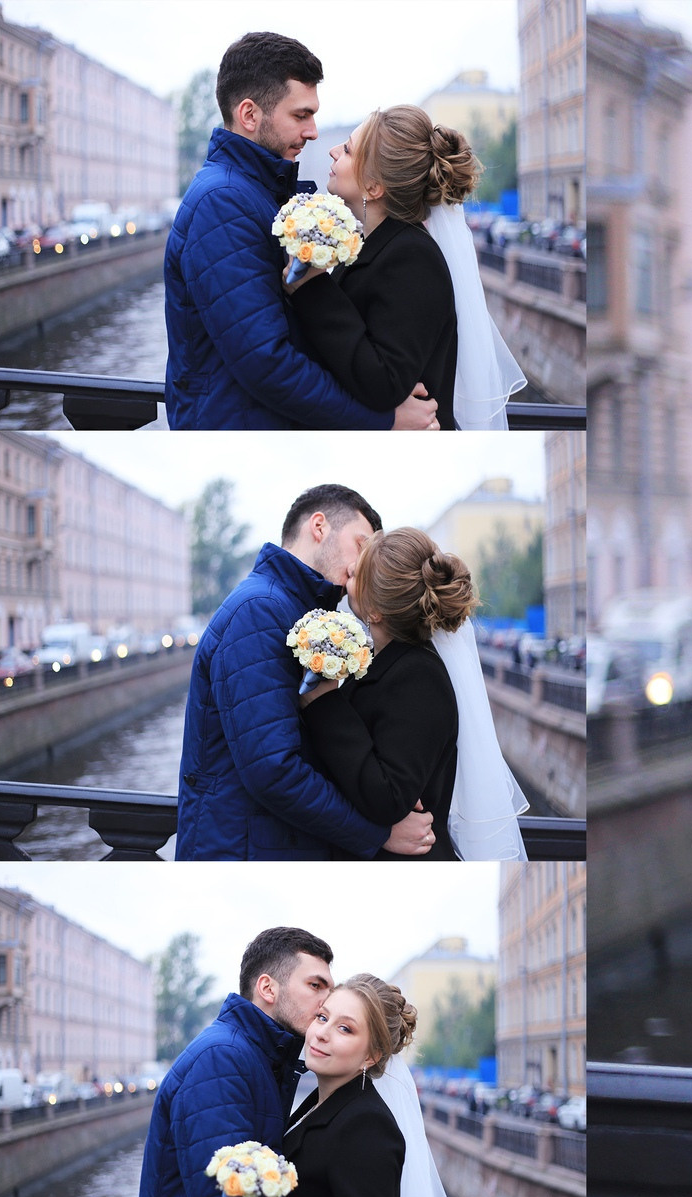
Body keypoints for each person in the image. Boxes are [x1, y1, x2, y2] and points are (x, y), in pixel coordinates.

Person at [164, 32, 437, 430]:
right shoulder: (223, 202)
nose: (313, 131)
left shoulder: (255, 190)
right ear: (250, 115)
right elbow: (266, 362)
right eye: (300, 115)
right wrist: (381, 420)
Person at [176, 485, 435, 859]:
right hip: (244, 849)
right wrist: (376, 833)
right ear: (319, 526)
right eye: (360, 545)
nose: (360, 565)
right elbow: (273, 770)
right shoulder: (260, 611)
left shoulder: (291, 607)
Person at [129, 929, 372, 1197]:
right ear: (268, 988)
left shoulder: (259, 1057)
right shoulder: (222, 1060)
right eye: (316, 985)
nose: (326, 1001)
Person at [285, 105, 528, 430]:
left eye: (346, 149)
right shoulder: (370, 243)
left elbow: (385, 381)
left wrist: (309, 285)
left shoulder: (412, 258)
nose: (332, 152)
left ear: (373, 186)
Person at [242, 974, 448, 1197]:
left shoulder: (366, 1123)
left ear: (371, 1056)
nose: (322, 1033)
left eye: (345, 1028)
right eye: (322, 1017)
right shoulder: (324, 1101)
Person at [299, 527, 486, 860]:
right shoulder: (387, 660)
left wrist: (323, 702)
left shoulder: (419, 676)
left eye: (357, 575)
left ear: (375, 611)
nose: (347, 576)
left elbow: (388, 796)